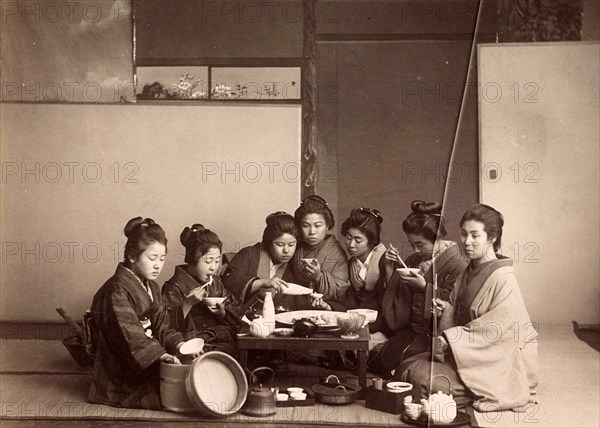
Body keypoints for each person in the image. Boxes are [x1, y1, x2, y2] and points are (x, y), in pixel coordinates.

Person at [398, 204, 538, 411]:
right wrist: (445, 309)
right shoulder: (468, 270)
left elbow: (497, 331)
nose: (467, 242)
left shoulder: (503, 278)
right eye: (464, 234)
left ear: (492, 238)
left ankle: (481, 391)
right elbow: (455, 307)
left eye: (475, 235)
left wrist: (450, 338)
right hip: (469, 352)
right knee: (405, 366)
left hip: (499, 358)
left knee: (426, 382)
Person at [88, 217, 185, 410]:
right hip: (123, 365)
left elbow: (161, 326)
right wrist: (161, 356)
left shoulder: (153, 287)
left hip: (149, 354)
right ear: (132, 256)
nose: (158, 265)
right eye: (152, 258)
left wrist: (180, 344)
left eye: (162, 258)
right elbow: (128, 337)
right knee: (174, 395)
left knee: (190, 376)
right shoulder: (116, 290)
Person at [368, 201, 468, 377]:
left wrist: (424, 288)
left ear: (437, 238)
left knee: (403, 368)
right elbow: (396, 295)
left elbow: (454, 306)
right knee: (380, 362)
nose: (415, 250)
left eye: (420, 245)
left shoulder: (457, 264)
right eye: (411, 243)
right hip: (411, 329)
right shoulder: (415, 260)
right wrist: (391, 267)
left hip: (436, 335)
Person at [162, 224, 241, 356]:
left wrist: (222, 314)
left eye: (217, 261)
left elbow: (235, 312)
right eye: (208, 261)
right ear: (193, 259)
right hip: (193, 342)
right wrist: (187, 304)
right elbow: (166, 328)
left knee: (242, 345)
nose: (213, 268)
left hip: (217, 337)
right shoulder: (174, 286)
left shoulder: (215, 282)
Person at [312, 207, 386, 311]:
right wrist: (329, 306)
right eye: (348, 238)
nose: (351, 245)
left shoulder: (386, 262)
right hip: (358, 315)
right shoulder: (352, 263)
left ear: (371, 241)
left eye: (358, 240)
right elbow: (349, 299)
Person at [222, 211, 298, 312]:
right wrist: (261, 283)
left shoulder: (294, 265)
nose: (286, 250)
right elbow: (229, 282)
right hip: (243, 318)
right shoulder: (249, 254)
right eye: (280, 245)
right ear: (269, 243)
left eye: (291, 244)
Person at [289, 195, 350, 304]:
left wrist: (319, 277)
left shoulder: (336, 253)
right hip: (294, 305)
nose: (312, 231)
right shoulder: (294, 247)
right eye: (305, 225)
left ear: (327, 226)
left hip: (324, 308)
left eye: (317, 225)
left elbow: (340, 289)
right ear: (299, 227)